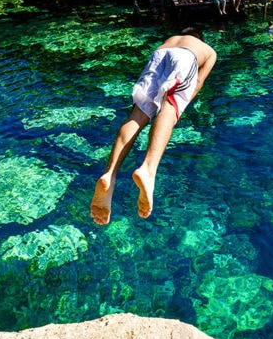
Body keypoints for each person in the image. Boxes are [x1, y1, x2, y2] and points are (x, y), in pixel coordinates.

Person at [91, 29, 217, 225]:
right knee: (169, 108)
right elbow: (198, 81)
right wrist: (180, 107)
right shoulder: (208, 50)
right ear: (200, 38)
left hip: (157, 56)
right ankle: (148, 170)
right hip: (185, 59)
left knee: (138, 114)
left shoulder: (170, 39)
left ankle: (110, 174)